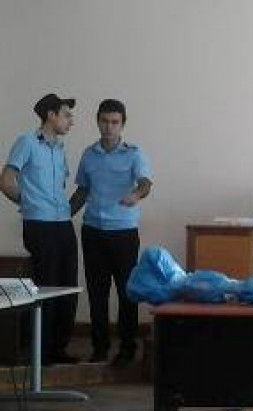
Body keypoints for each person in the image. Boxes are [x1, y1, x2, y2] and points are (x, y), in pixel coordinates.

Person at [70, 99, 153, 365]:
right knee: (97, 292)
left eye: (114, 122)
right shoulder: (88, 154)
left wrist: (136, 195)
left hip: (123, 232)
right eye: (104, 121)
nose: (109, 127)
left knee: (127, 291)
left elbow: (145, 183)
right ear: (97, 121)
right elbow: (82, 191)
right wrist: (61, 215)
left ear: (122, 124)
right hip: (93, 231)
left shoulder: (134, 154)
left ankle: (127, 348)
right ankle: (100, 347)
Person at [0, 93, 79, 365]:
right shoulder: (27, 142)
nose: (70, 121)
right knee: (46, 286)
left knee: (67, 285)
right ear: (51, 115)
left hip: (63, 223)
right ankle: (39, 352)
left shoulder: (60, 148)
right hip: (39, 225)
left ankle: (58, 348)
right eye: (66, 115)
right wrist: (29, 203)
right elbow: (6, 180)